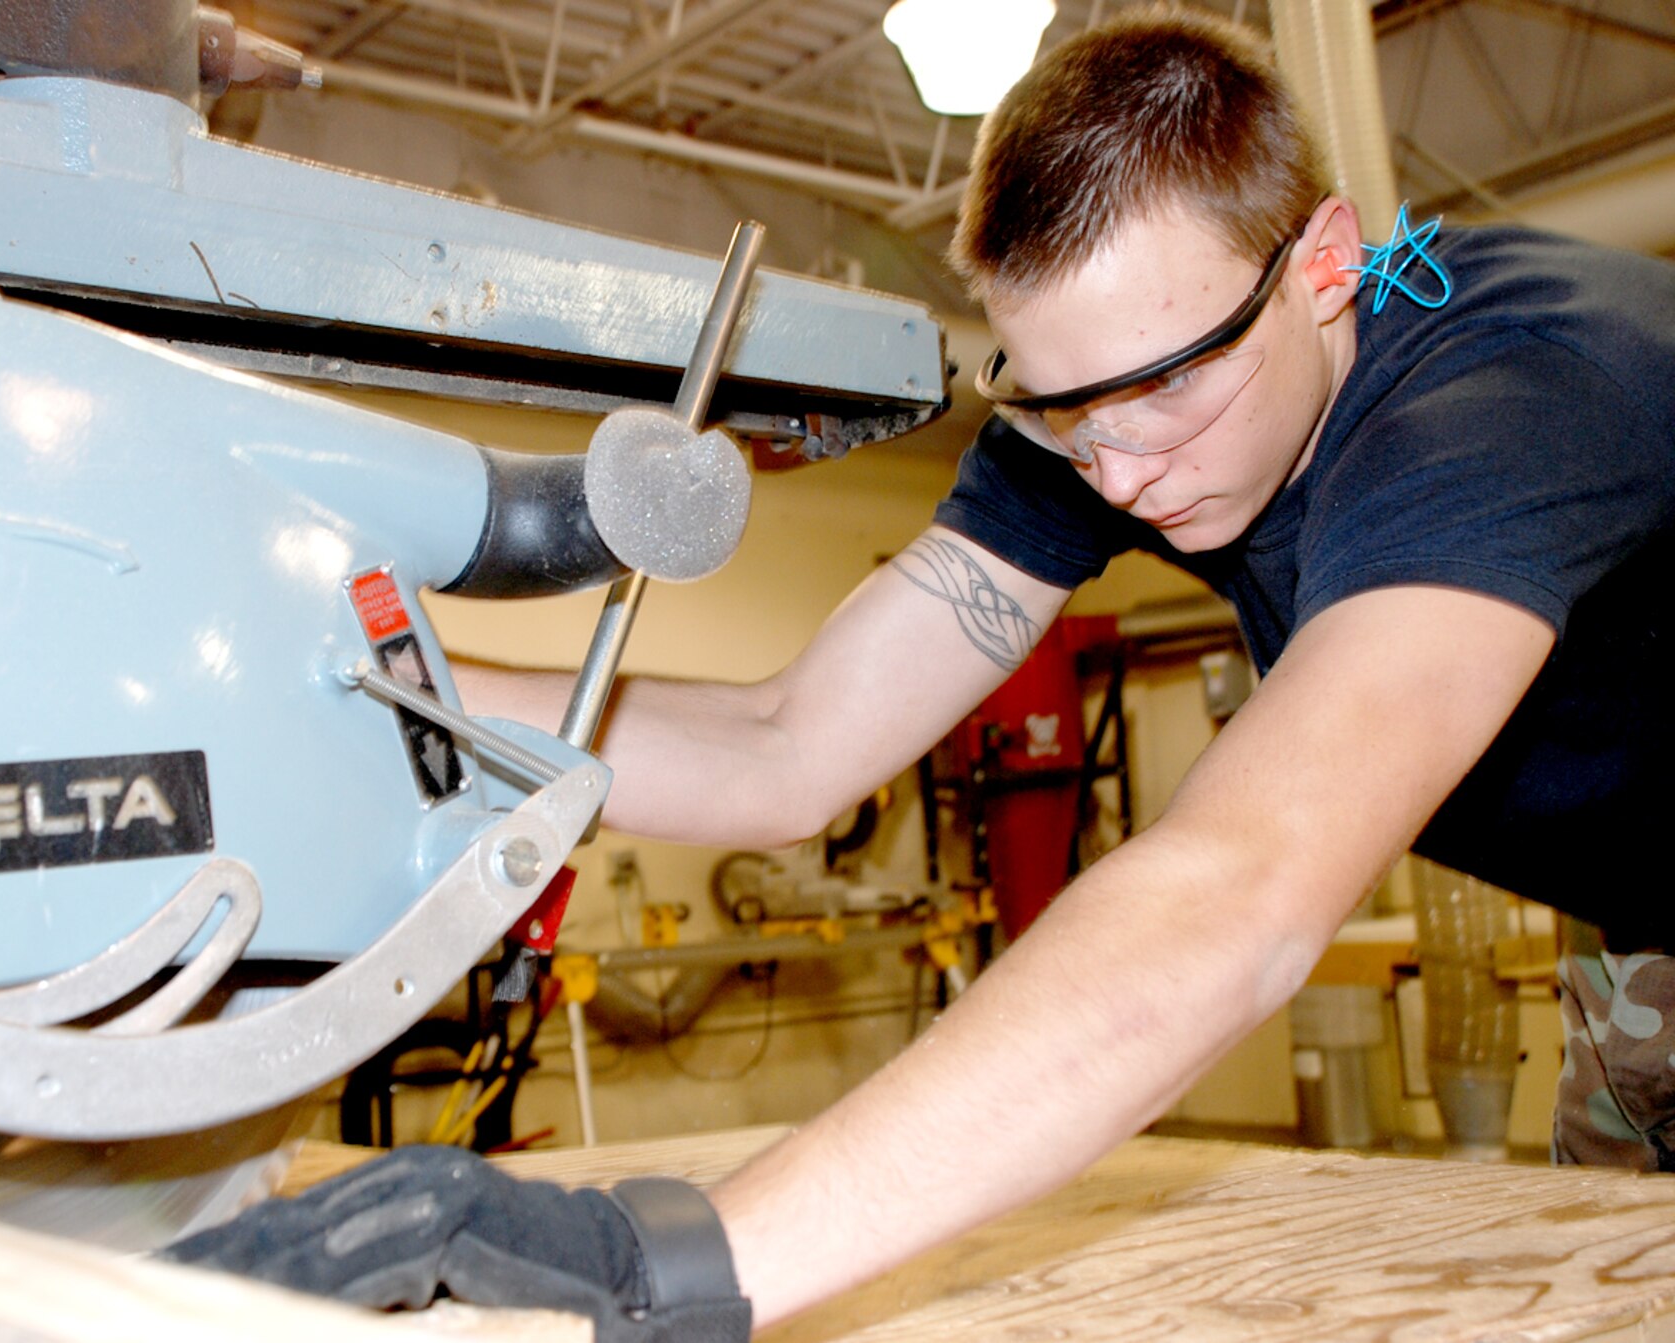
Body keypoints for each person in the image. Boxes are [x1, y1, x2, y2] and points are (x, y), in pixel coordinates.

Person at [164, 8, 1675, 1336]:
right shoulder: (1109, 422)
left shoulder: (1507, 400)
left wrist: (679, 1261)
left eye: (1167, 389)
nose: (1123, 469)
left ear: (1328, 265)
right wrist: (360, 692)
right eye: (1066, 406)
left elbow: (1245, 891)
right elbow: (784, 743)